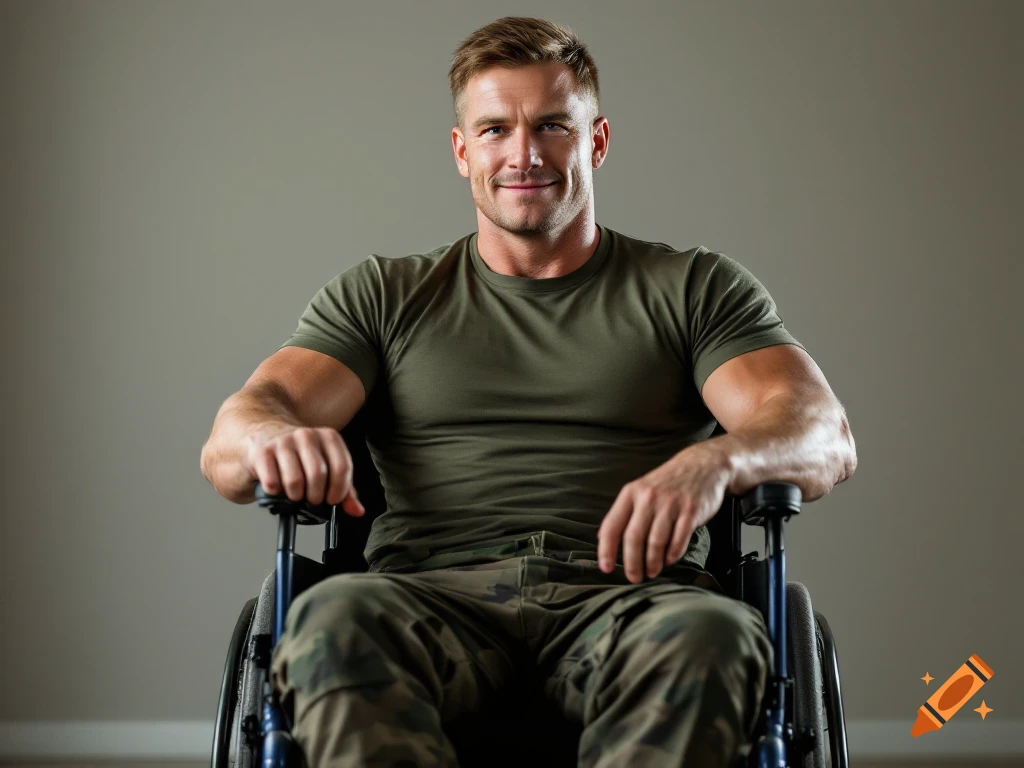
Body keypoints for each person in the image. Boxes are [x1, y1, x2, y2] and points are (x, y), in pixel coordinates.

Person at [200, 15, 857, 768]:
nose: (523, 154)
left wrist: (718, 462)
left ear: (596, 141)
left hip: (632, 600)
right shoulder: (385, 295)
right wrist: (272, 437)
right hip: (429, 597)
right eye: (494, 130)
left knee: (712, 635)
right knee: (328, 620)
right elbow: (234, 438)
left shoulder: (691, 288)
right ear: (461, 151)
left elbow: (822, 434)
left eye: (551, 125)